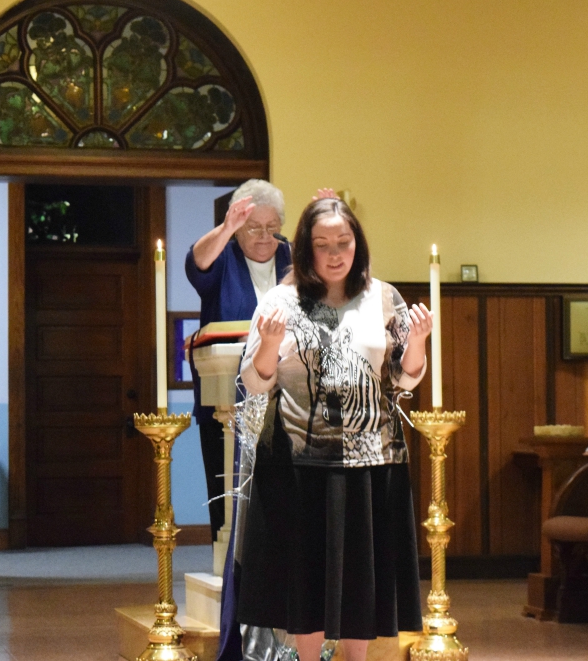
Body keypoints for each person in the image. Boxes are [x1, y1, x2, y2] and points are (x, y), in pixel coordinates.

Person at [236, 197, 433, 661]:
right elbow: (253, 380)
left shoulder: (383, 297)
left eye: (342, 242)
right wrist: (267, 344)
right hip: (298, 461)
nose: (333, 253)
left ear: (357, 245)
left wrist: (418, 343)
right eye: (322, 244)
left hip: (371, 461)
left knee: (361, 578)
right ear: (306, 250)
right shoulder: (281, 300)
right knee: (305, 578)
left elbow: (404, 379)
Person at [185, 179, 291, 540]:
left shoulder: (293, 258)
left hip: (289, 401)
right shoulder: (222, 257)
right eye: (253, 227)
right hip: (225, 400)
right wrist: (227, 227)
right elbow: (196, 263)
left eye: (271, 228)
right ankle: (228, 567)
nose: (264, 237)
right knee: (229, 500)